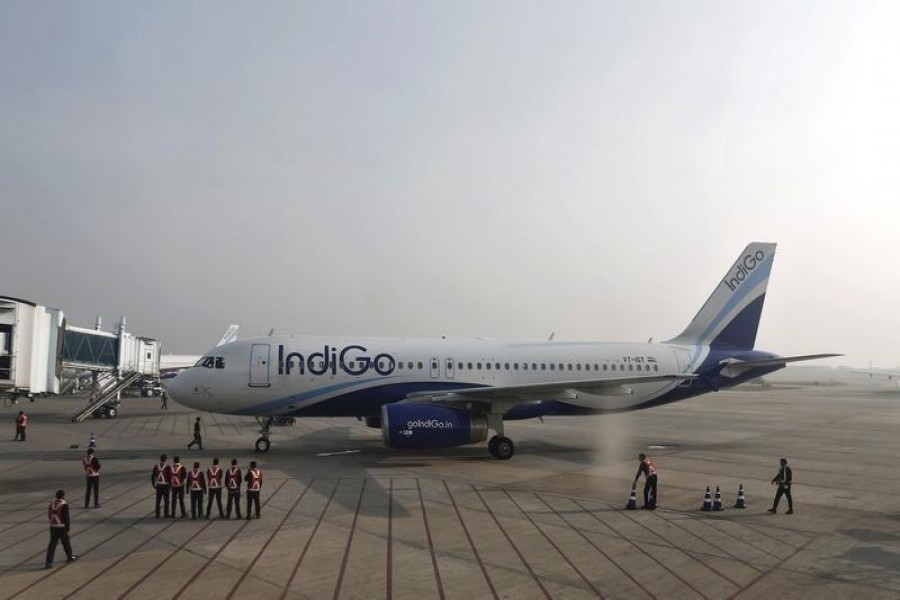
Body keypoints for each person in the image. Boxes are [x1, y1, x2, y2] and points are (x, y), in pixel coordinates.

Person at [46, 489, 77, 568]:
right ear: (63, 496)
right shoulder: (64, 504)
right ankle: (70, 557)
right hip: (62, 527)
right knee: (66, 543)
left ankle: (49, 562)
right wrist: (67, 528)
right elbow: (66, 518)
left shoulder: (51, 504)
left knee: (52, 545)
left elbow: (49, 515)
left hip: (53, 527)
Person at [151, 454, 171, 518]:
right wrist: (170, 485)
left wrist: (153, 484)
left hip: (159, 485)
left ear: (160, 459)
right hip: (165, 485)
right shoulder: (168, 467)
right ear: (165, 459)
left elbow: (153, 476)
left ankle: (157, 514)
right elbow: (170, 476)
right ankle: (166, 513)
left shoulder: (156, 466)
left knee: (158, 500)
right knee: (166, 501)